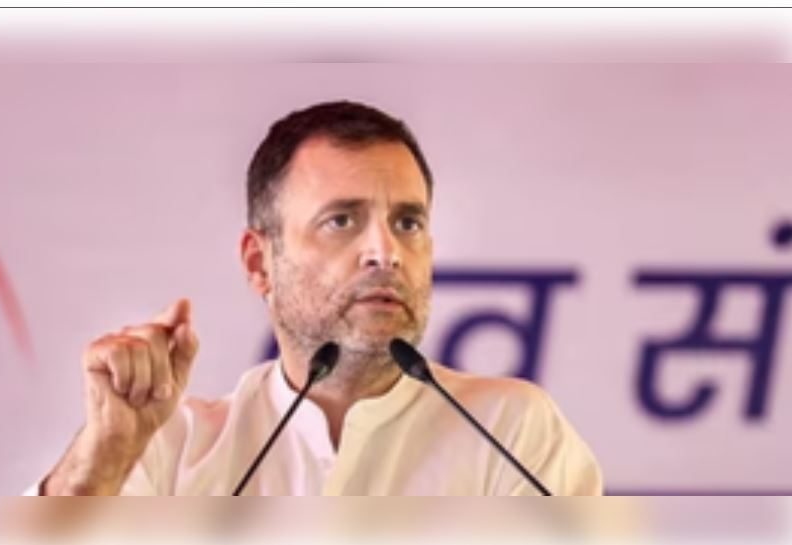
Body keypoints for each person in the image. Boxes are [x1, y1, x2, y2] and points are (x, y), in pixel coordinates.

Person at [34, 100, 602, 496]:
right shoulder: (172, 447)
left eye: (407, 223)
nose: (385, 252)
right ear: (260, 263)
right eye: (342, 221)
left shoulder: (510, 432)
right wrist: (103, 459)